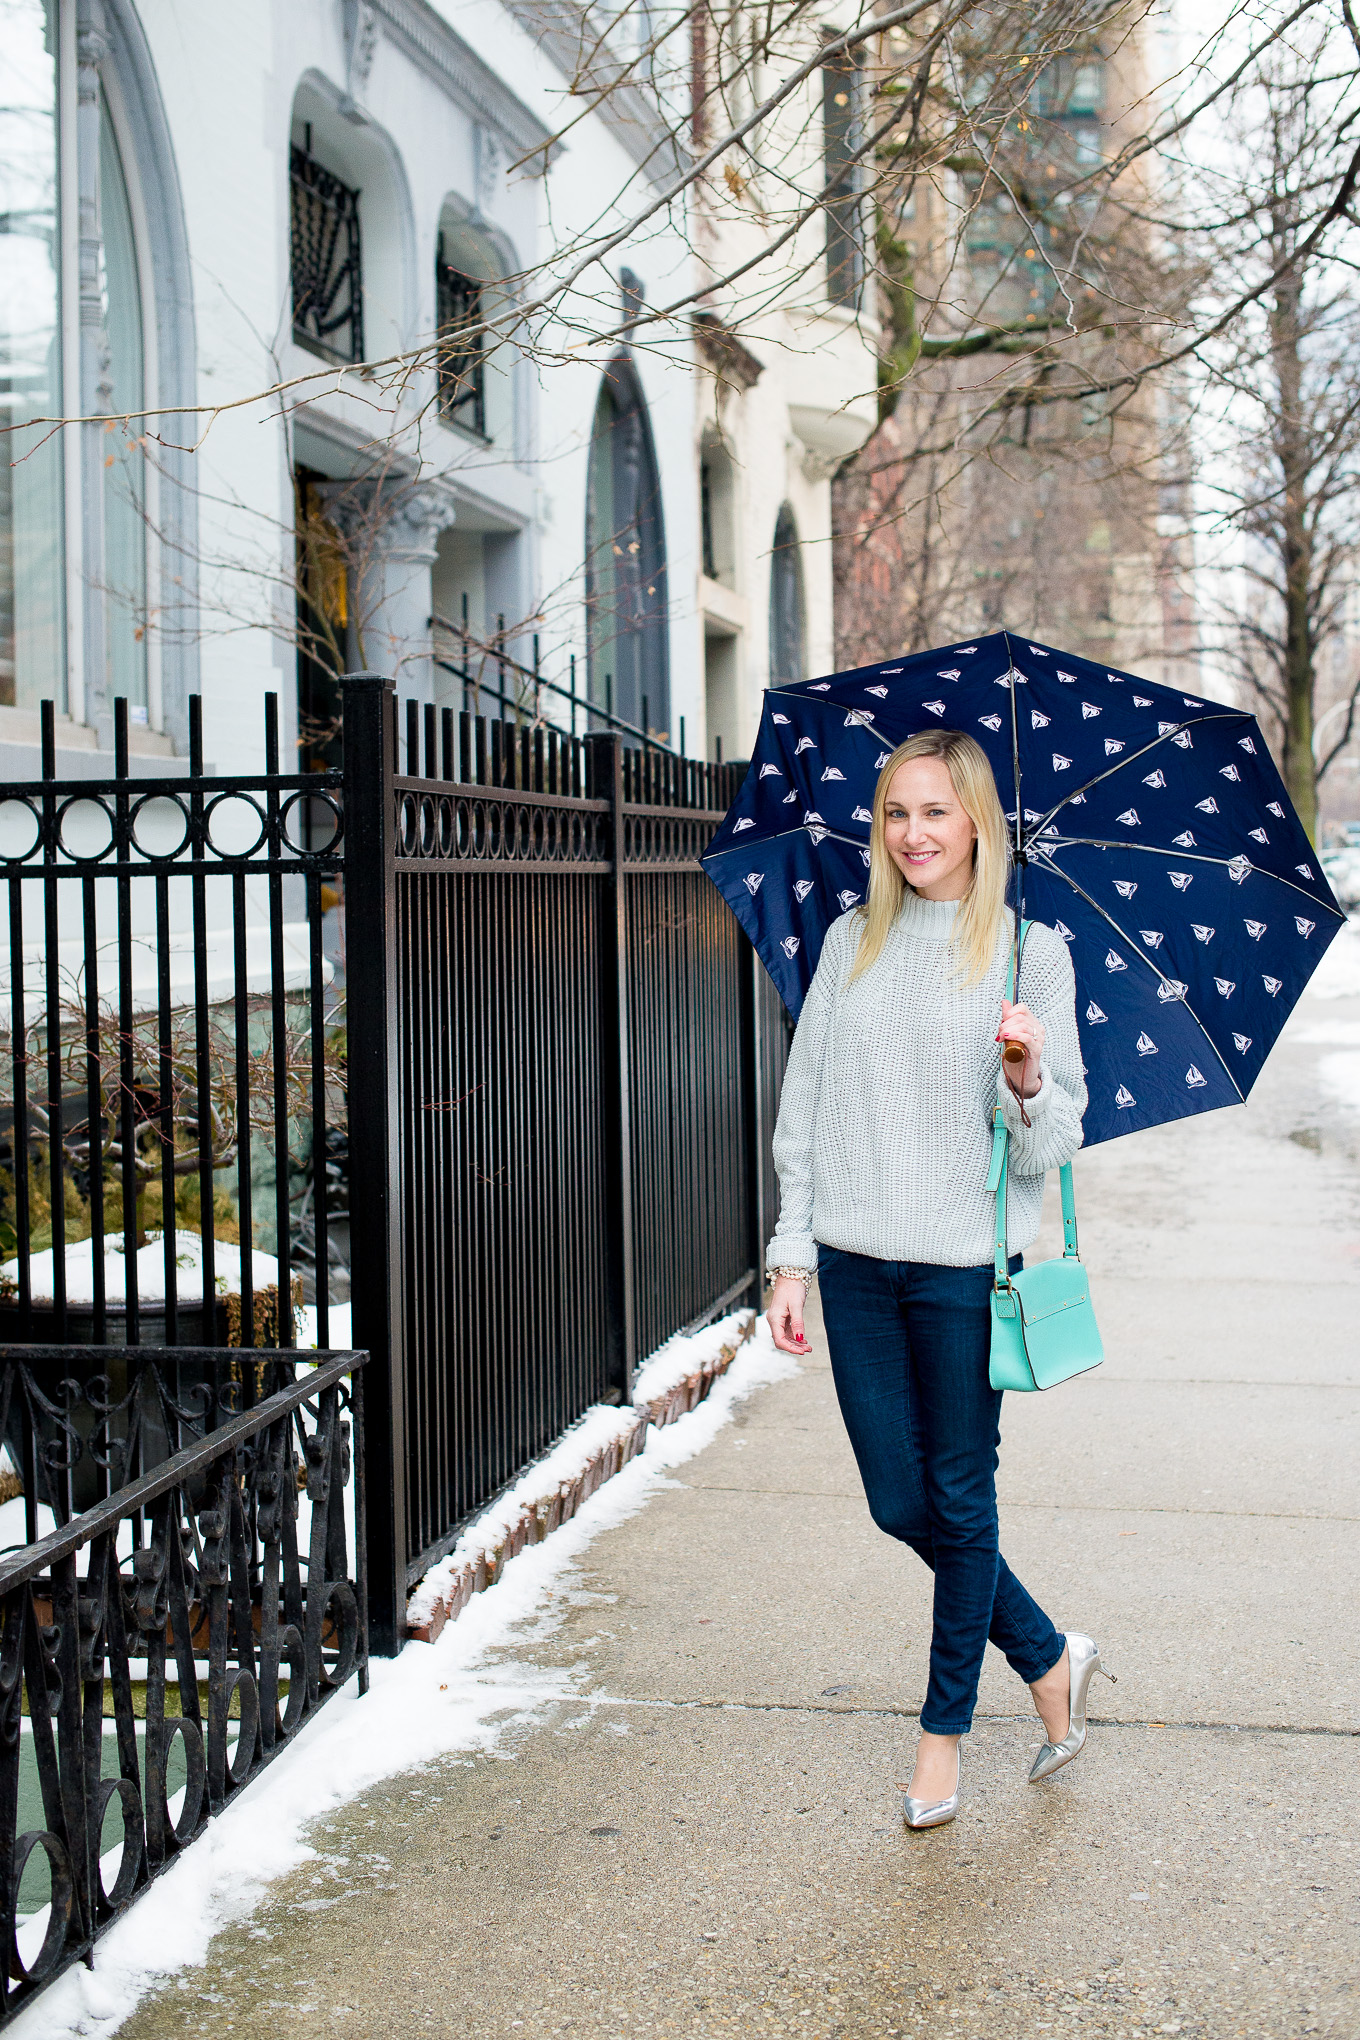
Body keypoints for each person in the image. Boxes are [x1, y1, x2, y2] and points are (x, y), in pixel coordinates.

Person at [765, 728, 1112, 1830]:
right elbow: (805, 1110)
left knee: (960, 1507)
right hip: (861, 1268)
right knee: (898, 1501)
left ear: (975, 825)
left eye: (934, 812)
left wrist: (1024, 1073)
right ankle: (1050, 1656)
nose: (912, 834)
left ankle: (942, 1737)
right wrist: (791, 1256)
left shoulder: (1029, 955)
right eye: (895, 814)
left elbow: (1053, 1143)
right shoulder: (847, 943)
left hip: (970, 1272)